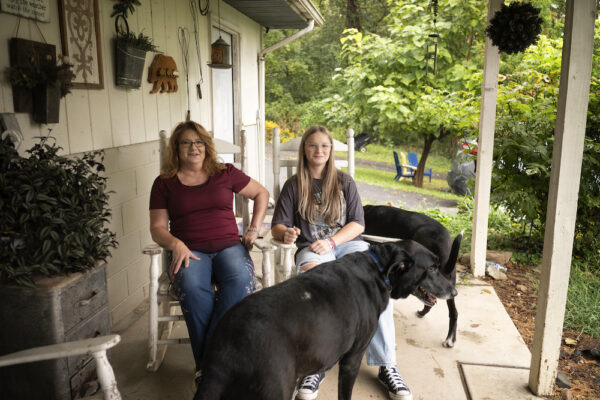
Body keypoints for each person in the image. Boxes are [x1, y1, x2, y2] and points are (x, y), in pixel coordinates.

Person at [271, 126, 412, 400]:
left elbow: (358, 224)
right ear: (304, 150)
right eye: (312, 146)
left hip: (346, 244)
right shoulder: (293, 185)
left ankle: (386, 364)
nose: (319, 151)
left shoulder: (344, 181)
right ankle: (316, 364)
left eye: (324, 146)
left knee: (378, 288)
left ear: (331, 150)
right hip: (312, 249)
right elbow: (278, 225)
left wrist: (333, 242)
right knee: (317, 290)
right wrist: (285, 233)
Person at [149, 121, 269, 385]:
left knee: (239, 280)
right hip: (189, 250)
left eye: (199, 142)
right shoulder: (164, 183)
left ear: (206, 146)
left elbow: (261, 193)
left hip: (229, 246)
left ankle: (207, 367)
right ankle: (219, 366)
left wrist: (254, 228)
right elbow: (157, 228)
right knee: (192, 287)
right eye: (186, 142)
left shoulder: (224, 172)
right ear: (176, 148)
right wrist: (175, 244)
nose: (194, 147)